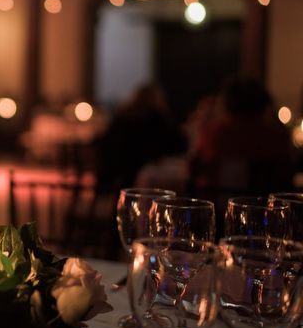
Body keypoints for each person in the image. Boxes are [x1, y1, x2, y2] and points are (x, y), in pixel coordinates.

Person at [189, 76, 295, 233]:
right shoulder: (276, 137)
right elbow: (287, 177)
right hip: (267, 222)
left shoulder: (212, 134)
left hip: (216, 221)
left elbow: (192, 171)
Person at [93, 83, 187, 192]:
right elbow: (177, 145)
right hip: (136, 174)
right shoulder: (156, 119)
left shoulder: (122, 116)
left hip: (115, 173)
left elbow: (105, 143)